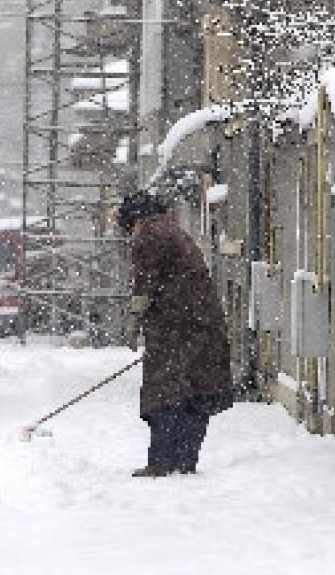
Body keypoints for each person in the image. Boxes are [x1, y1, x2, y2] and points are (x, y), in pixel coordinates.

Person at [117, 190, 232, 477]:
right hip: (204, 326)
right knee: (196, 392)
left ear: (135, 221)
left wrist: (133, 320)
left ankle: (162, 462)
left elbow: (144, 283)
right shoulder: (175, 231)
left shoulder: (150, 235)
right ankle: (184, 460)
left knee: (165, 393)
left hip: (176, 328)